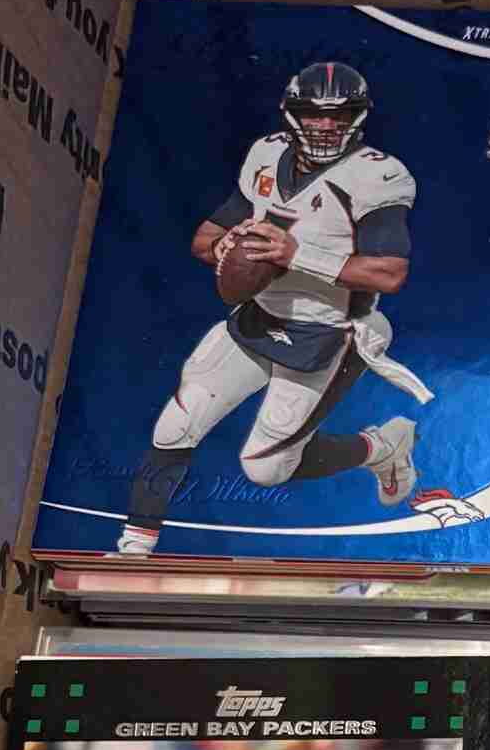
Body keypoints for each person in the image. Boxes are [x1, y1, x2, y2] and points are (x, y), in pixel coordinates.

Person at [115, 62, 428, 556]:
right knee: (174, 426)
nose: (324, 125)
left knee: (265, 469)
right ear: (290, 112)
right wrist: (223, 248)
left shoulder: (376, 175)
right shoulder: (266, 152)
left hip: (329, 332)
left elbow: (390, 273)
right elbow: (206, 237)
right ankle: (134, 547)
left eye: (338, 114)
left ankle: (382, 447)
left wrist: (295, 254)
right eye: (312, 113)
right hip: (259, 317)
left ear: (359, 116)